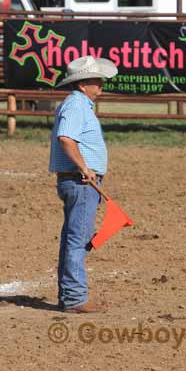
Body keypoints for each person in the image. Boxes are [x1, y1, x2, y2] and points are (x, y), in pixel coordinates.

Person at [49, 56, 118, 314]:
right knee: (78, 239)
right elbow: (66, 138)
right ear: (82, 84)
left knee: (73, 237)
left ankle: (70, 295)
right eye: (96, 80)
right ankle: (75, 298)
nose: (101, 85)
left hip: (77, 181)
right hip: (80, 182)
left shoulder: (77, 104)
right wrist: (84, 167)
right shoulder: (77, 106)